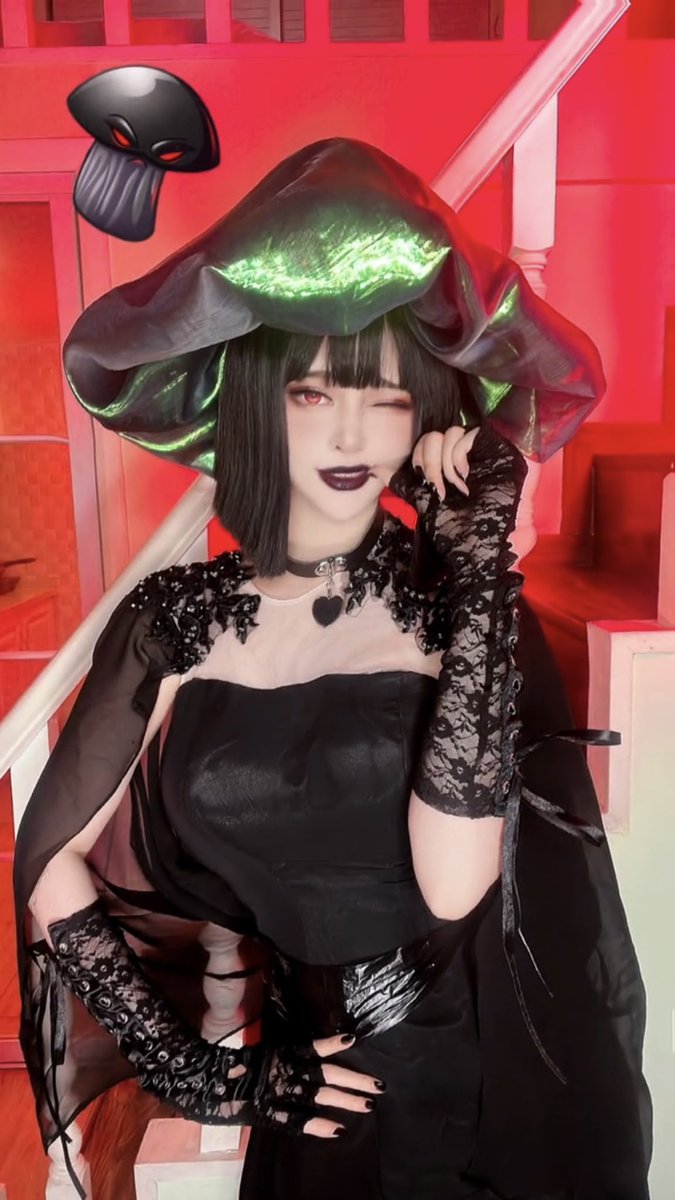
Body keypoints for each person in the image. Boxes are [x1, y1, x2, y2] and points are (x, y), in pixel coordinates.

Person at [12, 138, 652, 1200]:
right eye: (312, 394)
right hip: (303, 1097)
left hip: (470, 1097)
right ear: (257, 404)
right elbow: (49, 858)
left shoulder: (458, 608)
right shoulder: (173, 621)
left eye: (389, 399)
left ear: (428, 411)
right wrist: (201, 1072)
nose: (353, 432)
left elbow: (453, 882)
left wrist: (478, 562)